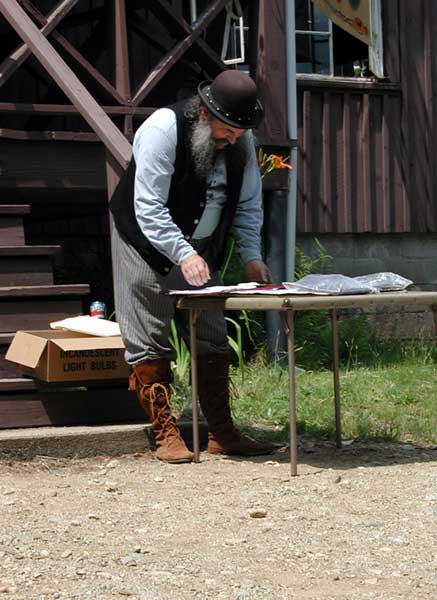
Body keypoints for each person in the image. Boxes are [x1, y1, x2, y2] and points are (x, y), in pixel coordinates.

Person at [110, 69, 275, 463]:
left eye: (240, 131)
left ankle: (220, 430)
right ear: (205, 114)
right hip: (145, 241)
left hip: (203, 246)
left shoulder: (242, 138)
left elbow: (249, 203)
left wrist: (251, 256)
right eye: (227, 129)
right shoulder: (163, 129)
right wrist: (182, 253)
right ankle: (164, 432)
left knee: (213, 334)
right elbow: (147, 207)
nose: (233, 137)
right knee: (149, 335)